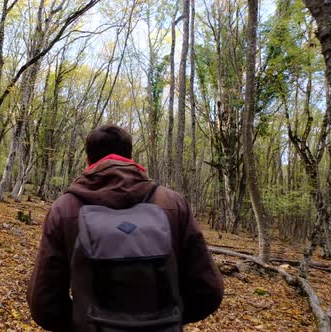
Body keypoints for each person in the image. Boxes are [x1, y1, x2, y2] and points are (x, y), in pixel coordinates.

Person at [27, 125, 223, 331]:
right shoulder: (172, 203)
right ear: (130, 156)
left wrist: (82, 322)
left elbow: (43, 303)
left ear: (88, 160)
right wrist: (170, 318)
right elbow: (209, 290)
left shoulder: (65, 208)